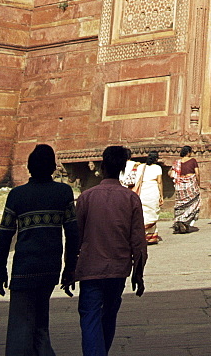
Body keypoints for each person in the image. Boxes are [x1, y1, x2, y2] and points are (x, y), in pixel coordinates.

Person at [0, 144, 79, 356]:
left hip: (24, 268)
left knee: (20, 326)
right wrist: (70, 269)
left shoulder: (17, 195)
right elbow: (72, 234)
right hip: (50, 267)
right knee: (41, 322)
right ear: (52, 167)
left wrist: (0, 270)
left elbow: (5, 235)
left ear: (29, 167)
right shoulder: (63, 192)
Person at [70, 145, 146, 356]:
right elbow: (138, 240)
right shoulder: (131, 199)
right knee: (109, 315)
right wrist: (138, 274)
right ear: (123, 168)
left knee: (90, 316)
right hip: (118, 269)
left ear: (102, 167)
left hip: (91, 268)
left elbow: (76, 236)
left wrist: (69, 269)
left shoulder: (86, 197)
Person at [129, 151, 163, 244]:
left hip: (143, 191)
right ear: (156, 159)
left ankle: (143, 235)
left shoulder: (141, 167)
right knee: (152, 212)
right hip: (153, 191)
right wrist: (161, 195)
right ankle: (151, 236)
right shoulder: (157, 168)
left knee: (144, 213)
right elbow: (159, 182)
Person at [169, 146, 200, 234]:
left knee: (180, 204)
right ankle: (185, 221)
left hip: (180, 186)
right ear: (189, 152)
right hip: (191, 185)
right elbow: (197, 173)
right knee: (194, 203)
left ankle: (179, 220)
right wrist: (198, 183)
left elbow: (170, 173)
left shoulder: (177, 162)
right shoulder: (193, 160)